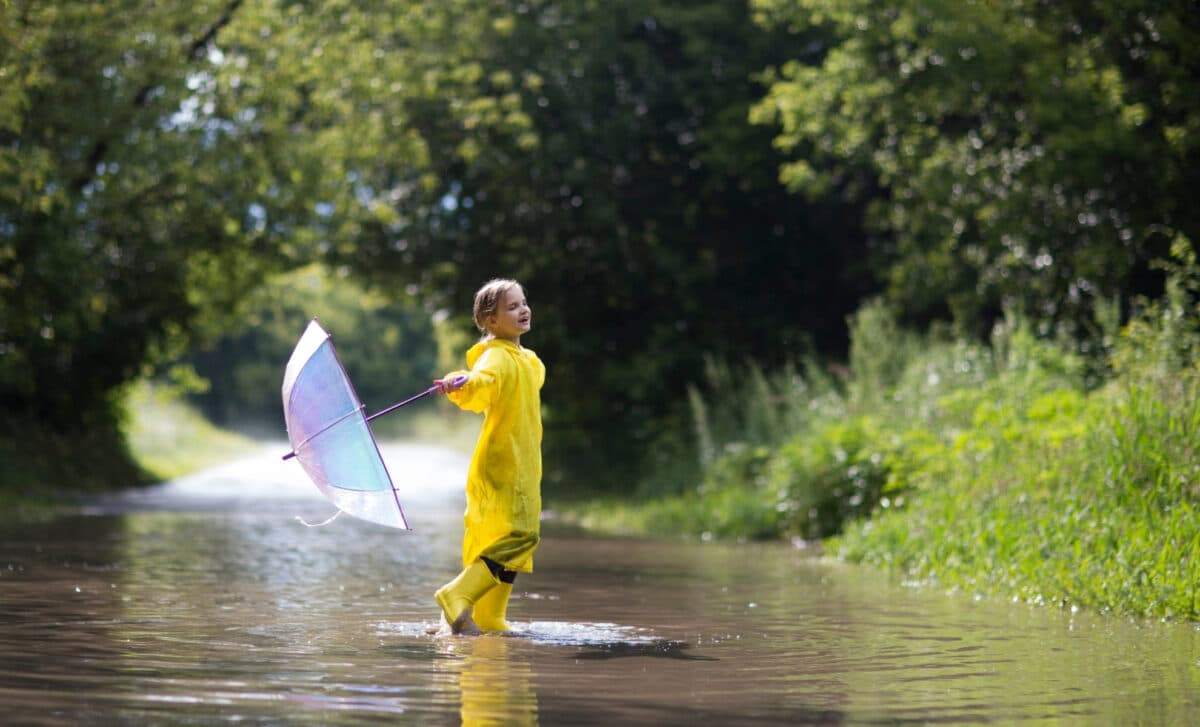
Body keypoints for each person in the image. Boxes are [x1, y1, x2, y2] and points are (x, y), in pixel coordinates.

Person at [433, 278, 545, 634]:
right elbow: (482, 381)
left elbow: (529, 376)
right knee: (520, 535)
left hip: (523, 463)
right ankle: (456, 595)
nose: (523, 309)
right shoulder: (496, 356)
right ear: (490, 321)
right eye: (512, 307)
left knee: (501, 540)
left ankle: (487, 616)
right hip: (502, 464)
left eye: (523, 302)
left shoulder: (527, 359)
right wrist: (460, 380)